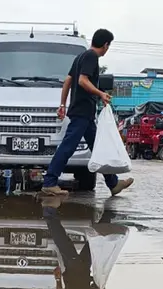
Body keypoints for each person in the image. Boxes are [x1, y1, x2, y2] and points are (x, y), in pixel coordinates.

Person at [42, 29, 133, 197]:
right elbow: (82, 80)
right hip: (82, 111)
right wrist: (100, 93)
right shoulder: (91, 57)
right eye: (108, 45)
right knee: (67, 147)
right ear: (106, 45)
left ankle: (113, 183)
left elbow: (68, 80)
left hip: (84, 112)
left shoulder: (80, 57)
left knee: (98, 146)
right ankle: (49, 182)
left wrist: (62, 104)